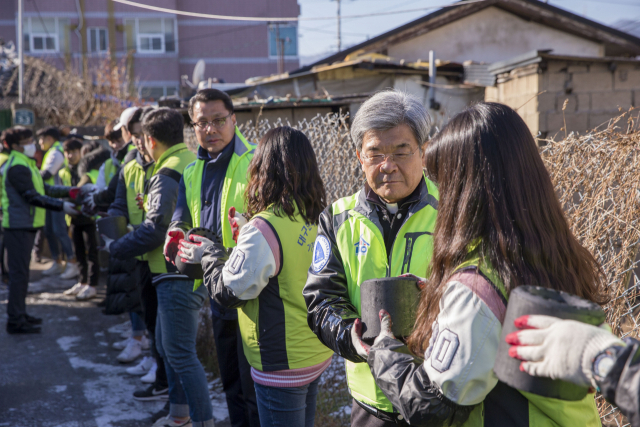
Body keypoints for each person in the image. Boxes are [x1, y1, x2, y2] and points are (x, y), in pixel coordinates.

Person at [357, 102, 606, 426]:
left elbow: (429, 406)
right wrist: (442, 295)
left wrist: (383, 352)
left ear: (467, 191)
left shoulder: (478, 288)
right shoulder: (552, 257)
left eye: (447, 182)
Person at [302, 89, 439, 426]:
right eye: (375, 153)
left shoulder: (453, 211)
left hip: (438, 395)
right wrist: (351, 337)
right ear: (359, 158)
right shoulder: (337, 217)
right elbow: (321, 299)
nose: (387, 165)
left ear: (423, 152)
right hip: (369, 400)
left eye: (401, 152)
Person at [200, 126, 334, 426]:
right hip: (315, 351)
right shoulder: (317, 216)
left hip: (281, 364)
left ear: (263, 169)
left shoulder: (264, 228)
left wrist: (209, 255)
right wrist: (248, 232)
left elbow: (228, 292)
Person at [103, 107, 206, 427]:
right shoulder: (190, 160)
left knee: (180, 355)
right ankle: (178, 415)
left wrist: (114, 248)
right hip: (188, 268)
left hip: (173, 270)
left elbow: (156, 228)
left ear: (148, 139)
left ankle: (197, 420)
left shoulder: (166, 172)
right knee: (170, 347)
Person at [166, 88, 260, 427]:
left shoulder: (256, 162)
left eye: (219, 120)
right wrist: (177, 228)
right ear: (193, 127)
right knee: (231, 380)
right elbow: (181, 207)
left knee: (253, 385)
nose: (210, 129)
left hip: (253, 289)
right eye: (201, 122)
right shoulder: (193, 170)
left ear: (234, 120)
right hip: (216, 286)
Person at [2, 126, 79, 333]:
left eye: (30, 139)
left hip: (26, 225)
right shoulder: (17, 167)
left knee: (22, 274)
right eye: (25, 141)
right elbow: (32, 196)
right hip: (18, 226)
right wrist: (62, 206)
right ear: (14, 146)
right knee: (19, 275)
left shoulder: (27, 164)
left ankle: (20, 314)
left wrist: (72, 192)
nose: (31, 144)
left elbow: (45, 189)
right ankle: (15, 321)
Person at [59, 138, 100, 300]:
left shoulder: (89, 170)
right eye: (68, 152)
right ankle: (82, 282)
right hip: (74, 218)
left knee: (92, 253)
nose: (70, 155)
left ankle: (93, 285)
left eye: (74, 152)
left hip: (90, 218)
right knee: (79, 252)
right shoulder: (64, 172)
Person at [36, 126, 79, 278]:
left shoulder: (56, 152)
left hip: (58, 198)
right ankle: (57, 262)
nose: (39, 142)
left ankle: (72, 262)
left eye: (41, 139)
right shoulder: (51, 152)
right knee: (49, 230)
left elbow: (47, 173)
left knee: (59, 231)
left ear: (49, 138)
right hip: (50, 197)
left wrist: (31, 174)